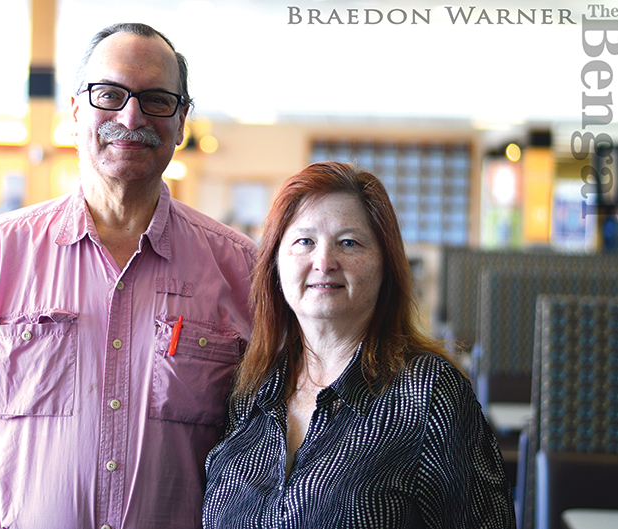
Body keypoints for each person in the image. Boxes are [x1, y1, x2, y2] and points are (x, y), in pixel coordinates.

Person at [0, 23, 257, 529]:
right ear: (77, 112)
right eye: (110, 94)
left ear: (182, 121)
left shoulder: (241, 270)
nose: (131, 115)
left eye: (157, 99)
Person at [203, 162, 516, 528]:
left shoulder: (427, 394)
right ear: (274, 261)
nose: (323, 262)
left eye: (348, 243)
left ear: (386, 264)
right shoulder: (253, 386)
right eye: (304, 241)